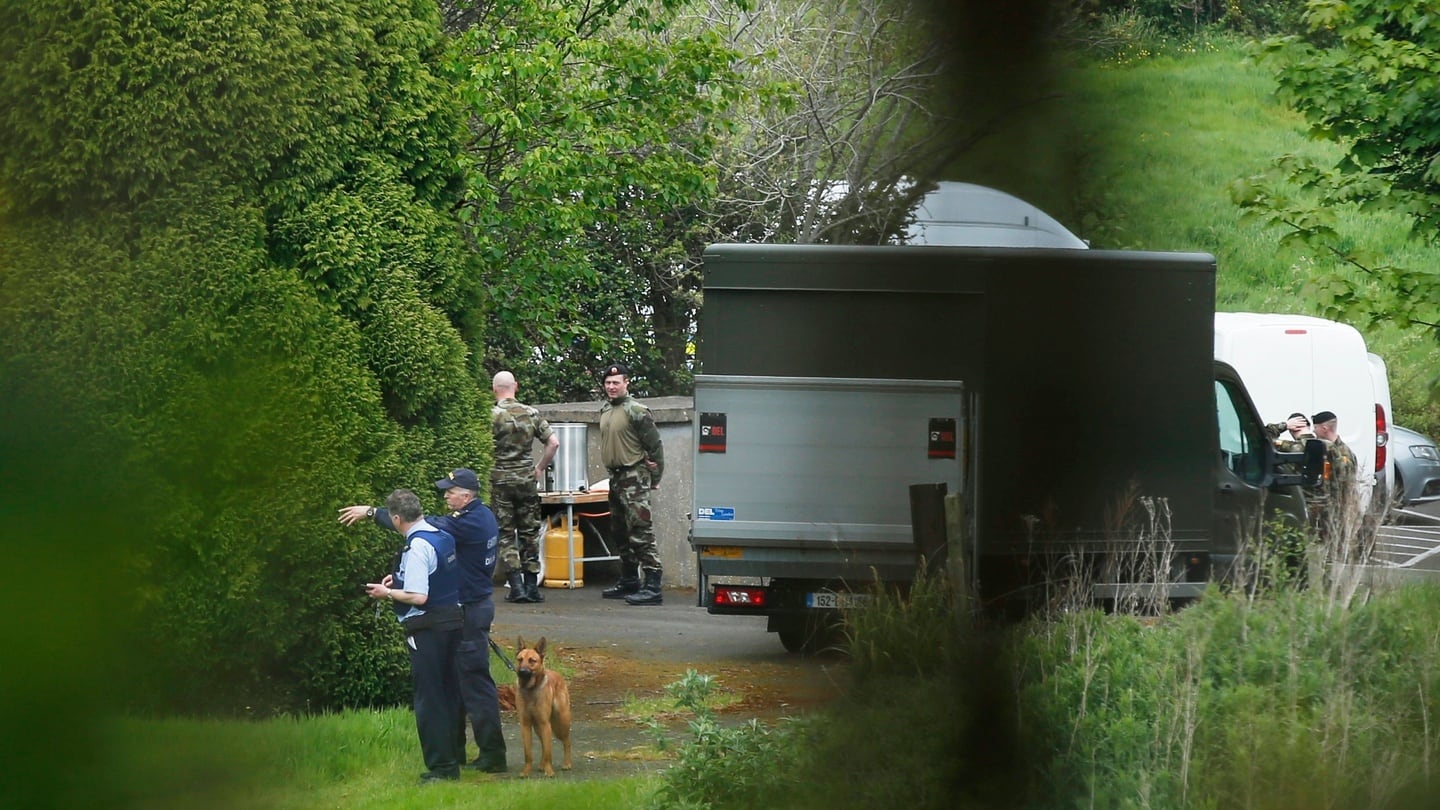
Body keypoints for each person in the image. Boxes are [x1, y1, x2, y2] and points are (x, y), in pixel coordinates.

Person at [340, 469, 508, 774]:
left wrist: (373, 512)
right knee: (456, 682)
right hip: (473, 605)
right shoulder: (483, 514)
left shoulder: (466, 523)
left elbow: (420, 525)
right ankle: (456, 754)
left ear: (466, 496)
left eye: (450, 491)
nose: (445, 495)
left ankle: (492, 755)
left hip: (469, 609)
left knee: (472, 682)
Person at [361, 489, 464, 783]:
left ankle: (442, 769)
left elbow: (419, 597)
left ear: (396, 518)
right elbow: (438, 574)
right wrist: (402, 578)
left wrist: (387, 592)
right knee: (448, 692)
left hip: (428, 627)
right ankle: (454, 756)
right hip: (452, 621)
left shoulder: (417, 547)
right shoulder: (440, 534)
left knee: (429, 698)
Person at [597, 363, 666, 606]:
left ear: (626, 383)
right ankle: (629, 580)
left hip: (634, 476)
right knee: (619, 531)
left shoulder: (637, 410)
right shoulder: (606, 409)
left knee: (640, 531)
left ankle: (653, 584)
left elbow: (655, 447)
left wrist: (655, 479)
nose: (611, 387)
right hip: (615, 478)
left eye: (616, 382)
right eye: (608, 383)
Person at [490, 370, 559, 604]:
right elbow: (553, 442)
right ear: (515, 387)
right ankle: (532, 587)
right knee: (530, 532)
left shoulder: (491, 415)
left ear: (494, 389)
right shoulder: (532, 413)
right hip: (526, 480)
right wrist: (539, 468)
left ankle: (516, 586)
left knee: (506, 533)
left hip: (500, 480)